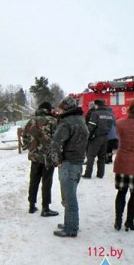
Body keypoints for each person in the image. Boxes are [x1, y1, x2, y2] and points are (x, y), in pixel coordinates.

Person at [48, 97, 89, 238]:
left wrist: (57, 161)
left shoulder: (66, 123)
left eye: (60, 107)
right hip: (77, 163)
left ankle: (70, 228)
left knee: (69, 197)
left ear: (65, 108)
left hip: (68, 164)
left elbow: (56, 144)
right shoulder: (80, 120)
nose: (58, 110)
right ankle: (70, 222)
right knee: (69, 195)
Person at [113, 98, 134, 231]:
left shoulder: (120, 123)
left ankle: (118, 220)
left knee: (121, 192)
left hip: (122, 162)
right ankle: (129, 222)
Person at [22, 101, 59, 216]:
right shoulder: (53, 121)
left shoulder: (31, 121)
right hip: (48, 157)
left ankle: (31, 206)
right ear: (49, 109)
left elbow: (25, 136)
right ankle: (45, 208)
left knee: (34, 180)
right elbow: (57, 139)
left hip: (35, 156)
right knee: (47, 182)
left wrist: (30, 148)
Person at [82, 99, 115, 179]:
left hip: (96, 137)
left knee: (91, 156)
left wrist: (88, 136)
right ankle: (100, 174)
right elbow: (113, 124)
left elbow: (91, 127)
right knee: (102, 156)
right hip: (106, 137)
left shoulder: (95, 113)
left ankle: (88, 174)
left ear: (96, 105)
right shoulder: (110, 114)